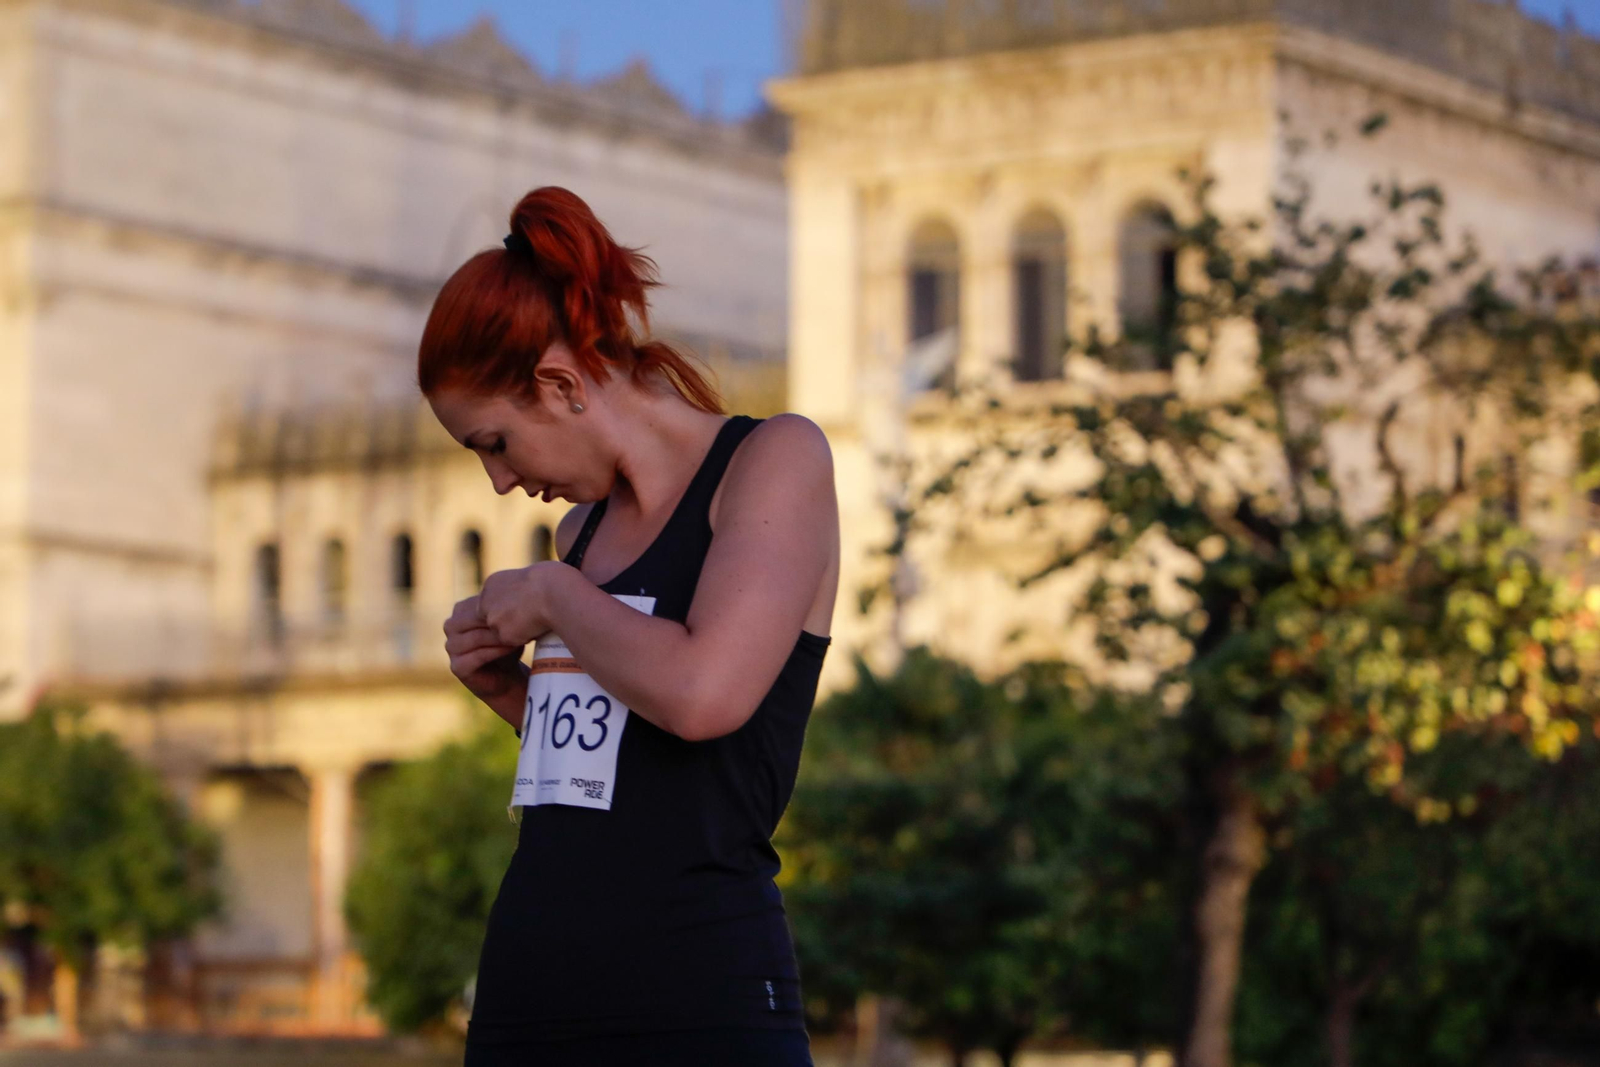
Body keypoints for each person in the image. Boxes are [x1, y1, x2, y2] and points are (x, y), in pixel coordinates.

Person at [421, 186, 839, 1066]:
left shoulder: (772, 464)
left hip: (699, 992)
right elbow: (630, 777)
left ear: (562, 383)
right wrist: (518, 697)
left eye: (494, 443)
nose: (498, 482)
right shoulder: (580, 535)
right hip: (528, 997)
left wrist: (553, 599)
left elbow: (702, 698)